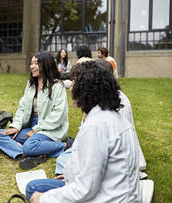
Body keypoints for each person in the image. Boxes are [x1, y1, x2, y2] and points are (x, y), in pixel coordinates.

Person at [26, 61, 141, 202]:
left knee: (34, 191)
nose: (70, 88)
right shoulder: (110, 116)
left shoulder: (95, 126)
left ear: (87, 89)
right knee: (34, 186)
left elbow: (85, 190)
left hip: (105, 197)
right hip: (114, 191)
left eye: (74, 83)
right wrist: (71, 176)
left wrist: (44, 199)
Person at [55, 60, 147, 175]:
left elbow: (89, 180)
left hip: (104, 171)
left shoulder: (103, 119)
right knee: (63, 160)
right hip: (97, 167)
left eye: (75, 84)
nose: (71, 89)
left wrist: (72, 176)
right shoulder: (95, 104)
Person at [0, 51, 70, 170]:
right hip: (31, 125)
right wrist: (16, 126)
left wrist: (35, 130)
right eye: (31, 63)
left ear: (46, 65)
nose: (32, 66)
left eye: (36, 63)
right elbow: (22, 108)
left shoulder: (57, 86)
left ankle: (64, 146)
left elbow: (58, 115)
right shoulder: (30, 84)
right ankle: (27, 153)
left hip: (48, 128)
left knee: (29, 145)